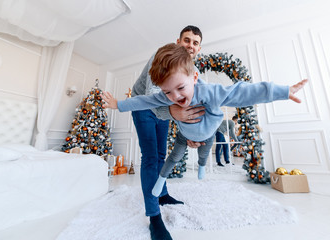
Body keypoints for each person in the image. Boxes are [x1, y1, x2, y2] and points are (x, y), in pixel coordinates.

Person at [101, 42, 308, 199]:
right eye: (168, 92)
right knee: (170, 158)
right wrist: (118, 104)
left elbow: (241, 92)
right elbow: (141, 101)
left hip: (207, 133)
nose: (175, 97)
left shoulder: (209, 91)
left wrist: (282, 91)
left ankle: (200, 167)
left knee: (204, 153)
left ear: (194, 77)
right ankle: (160, 186)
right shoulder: (164, 96)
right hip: (184, 134)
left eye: (181, 88)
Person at [108, 26, 204, 240]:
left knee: (162, 154)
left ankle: (162, 194)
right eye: (186, 40)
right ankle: (154, 217)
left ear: (199, 48)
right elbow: (152, 95)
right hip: (143, 106)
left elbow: (186, 104)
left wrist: (191, 134)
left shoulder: (193, 70)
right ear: (178, 41)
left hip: (164, 112)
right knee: (151, 158)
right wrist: (173, 112)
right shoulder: (162, 56)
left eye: (195, 42)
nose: (190, 45)